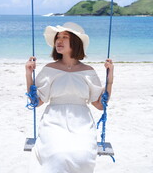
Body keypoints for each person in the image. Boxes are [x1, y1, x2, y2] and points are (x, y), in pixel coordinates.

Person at [25, 22, 114, 173]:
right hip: (53, 121)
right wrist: (28, 74)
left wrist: (110, 77)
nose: (59, 41)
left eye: (64, 37)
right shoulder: (49, 69)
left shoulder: (88, 71)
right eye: (57, 37)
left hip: (82, 122)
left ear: (75, 42)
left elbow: (100, 104)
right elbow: (36, 102)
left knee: (83, 157)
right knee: (58, 156)